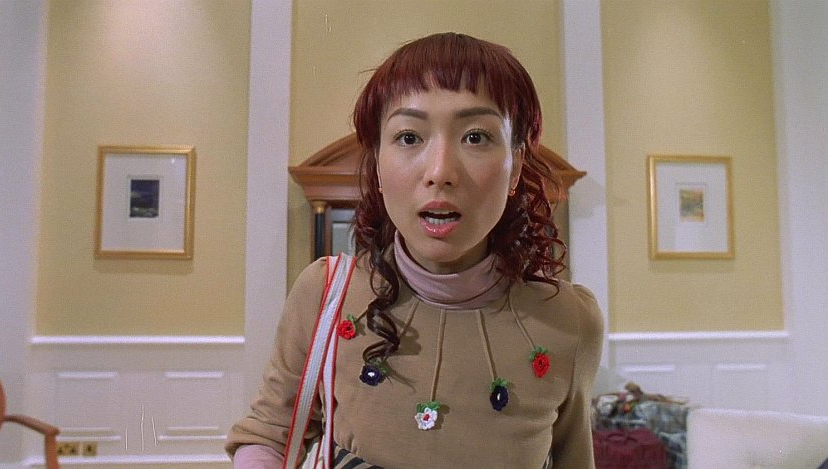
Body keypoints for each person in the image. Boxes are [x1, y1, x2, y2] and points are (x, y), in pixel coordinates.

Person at [227, 32, 604, 468]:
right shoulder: (326, 293)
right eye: (409, 137)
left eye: (476, 137)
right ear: (378, 165)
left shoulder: (571, 321)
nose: (440, 171)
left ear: (515, 166)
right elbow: (267, 435)